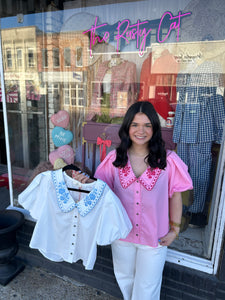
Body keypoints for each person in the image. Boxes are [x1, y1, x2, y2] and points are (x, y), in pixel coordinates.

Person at [74, 101, 193, 300]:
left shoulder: (168, 160)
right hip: (121, 236)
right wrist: (85, 182)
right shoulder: (114, 159)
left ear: (155, 129)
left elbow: (176, 196)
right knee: (124, 279)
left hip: (155, 238)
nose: (141, 130)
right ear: (127, 127)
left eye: (147, 125)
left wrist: (175, 229)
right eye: (135, 125)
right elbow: (100, 191)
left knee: (147, 288)